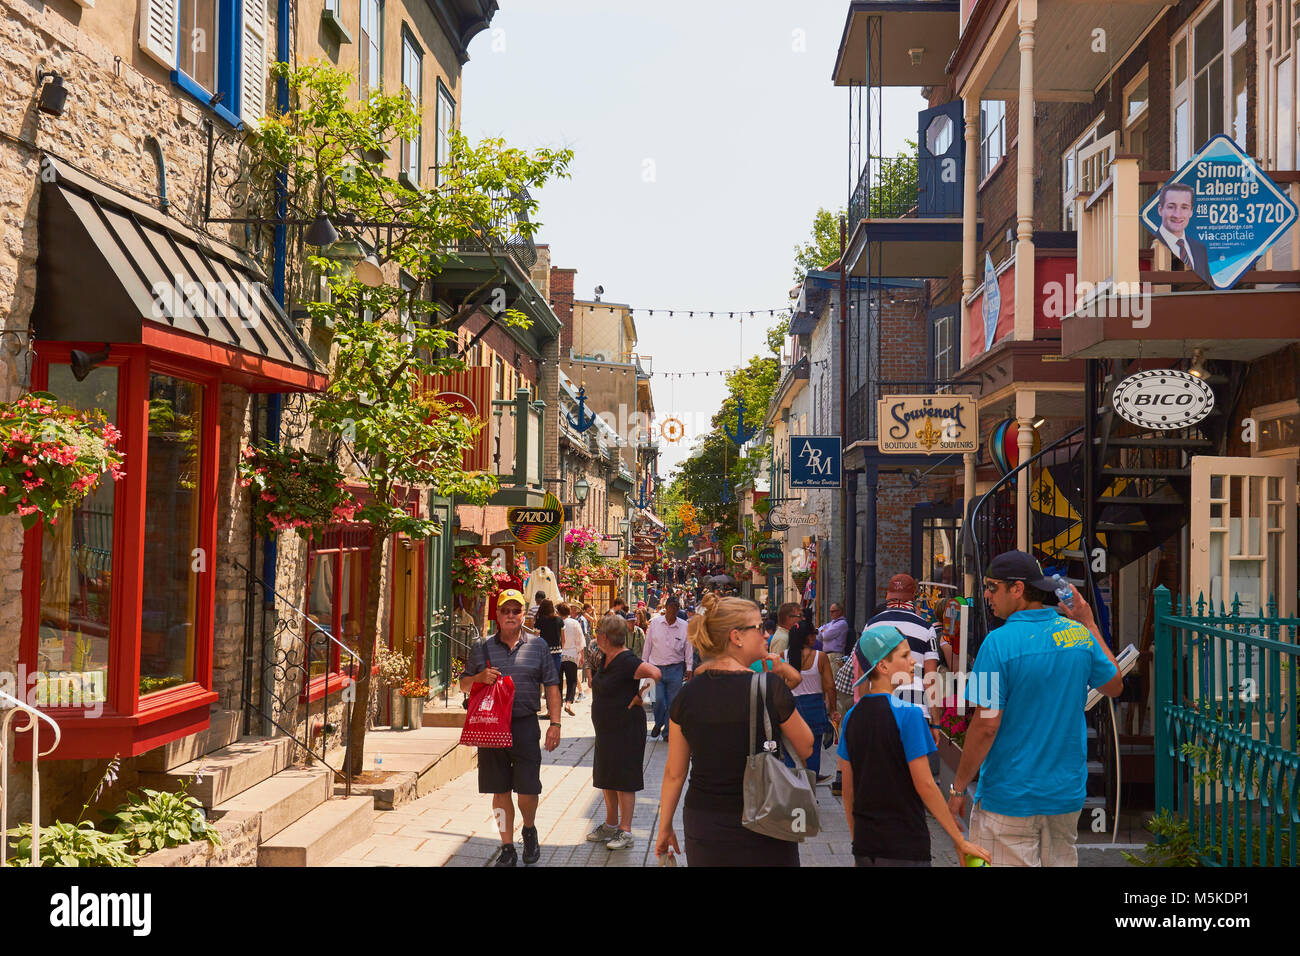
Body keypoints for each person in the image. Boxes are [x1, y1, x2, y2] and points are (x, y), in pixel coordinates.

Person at [946, 551, 1125, 867]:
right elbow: (1114, 685)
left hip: (1010, 794)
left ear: (1017, 589)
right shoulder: (1078, 636)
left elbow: (986, 725)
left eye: (992, 587)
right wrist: (1088, 623)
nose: (986, 594)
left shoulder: (997, 644)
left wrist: (959, 787)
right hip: (1064, 793)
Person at [656, 593, 814, 867]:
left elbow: (674, 772)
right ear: (736, 637)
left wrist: (665, 825)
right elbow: (806, 746)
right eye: (759, 627)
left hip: (705, 820)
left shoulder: (687, 695)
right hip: (767, 815)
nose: (766, 633)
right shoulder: (769, 688)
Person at [839, 626, 991, 868]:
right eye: (905, 655)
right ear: (883, 666)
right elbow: (926, 785)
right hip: (905, 846)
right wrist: (959, 841)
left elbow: (848, 792)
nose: (913, 662)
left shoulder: (851, 717)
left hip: (866, 848)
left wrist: (858, 842)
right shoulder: (908, 715)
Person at [459, 589, 562, 867]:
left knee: (528, 790)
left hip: (525, 725)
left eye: (516, 611)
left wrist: (555, 723)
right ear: (497, 615)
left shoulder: (538, 646)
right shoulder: (482, 646)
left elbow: (552, 685)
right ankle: (506, 846)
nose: (511, 615)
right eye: (506, 610)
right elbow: (464, 684)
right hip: (492, 727)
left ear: (522, 614)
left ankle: (529, 829)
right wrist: (480, 677)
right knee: (500, 790)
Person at [587, 615, 662, 851]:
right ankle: (610, 824)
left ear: (606, 637)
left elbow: (655, 673)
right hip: (607, 730)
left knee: (624, 779)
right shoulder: (605, 658)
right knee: (606, 776)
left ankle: (625, 830)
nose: (596, 635)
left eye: (598, 632)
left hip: (626, 729)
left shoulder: (627, 660)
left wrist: (641, 697)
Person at [866, 574, 944, 776]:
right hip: (915, 709)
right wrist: (936, 722)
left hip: (878, 707)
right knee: (914, 773)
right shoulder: (926, 628)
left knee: (883, 771)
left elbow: (863, 672)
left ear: (887, 595)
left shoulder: (871, 626)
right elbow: (931, 678)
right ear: (914, 597)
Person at [782, 619, 838, 782]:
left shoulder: (783, 657)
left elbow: (777, 687)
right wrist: (833, 709)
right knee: (812, 753)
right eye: (813, 633)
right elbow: (830, 686)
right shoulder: (820, 657)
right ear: (807, 637)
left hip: (790, 709)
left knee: (791, 753)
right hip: (814, 709)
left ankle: (792, 794)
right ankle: (808, 794)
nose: (815, 637)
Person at [643, 595, 692, 742]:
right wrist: (644, 664)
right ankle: (659, 723)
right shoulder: (655, 624)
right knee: (657, 700)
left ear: (678, 610)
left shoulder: (684, 626)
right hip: (655, 667)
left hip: (675, 668)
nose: (672, 612)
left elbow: (689, 648)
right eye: (670, 609)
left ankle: (667, 733)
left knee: (672, 702)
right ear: (666, 609)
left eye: (675, 609)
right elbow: (648, 645)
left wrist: (689, 667)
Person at [1156, 181, 1213, 284]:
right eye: (1171, 207)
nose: (1177, 215)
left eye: (1184, 207)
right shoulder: (1154, 244)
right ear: (1160, 210)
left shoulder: (1200, 249)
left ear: (1191, 211)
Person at [535, 600, 564, 707]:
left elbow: (535, 638)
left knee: (545, 681)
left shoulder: (540, 621)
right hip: (557, 653)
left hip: (544, 653)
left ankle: (549, 708)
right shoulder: (559, 620)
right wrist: (562, 650)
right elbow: (563, 639)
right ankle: (554, 707)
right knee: (554, 681)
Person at [559, 603, 585, 715]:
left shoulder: (557, 622)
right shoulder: (574, 623)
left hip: (559, 655)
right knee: (572, 681)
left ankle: (555, 706)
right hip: (572, 654)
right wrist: (582, 655)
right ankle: (568, 703)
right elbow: (580, 639)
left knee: (558, 681)